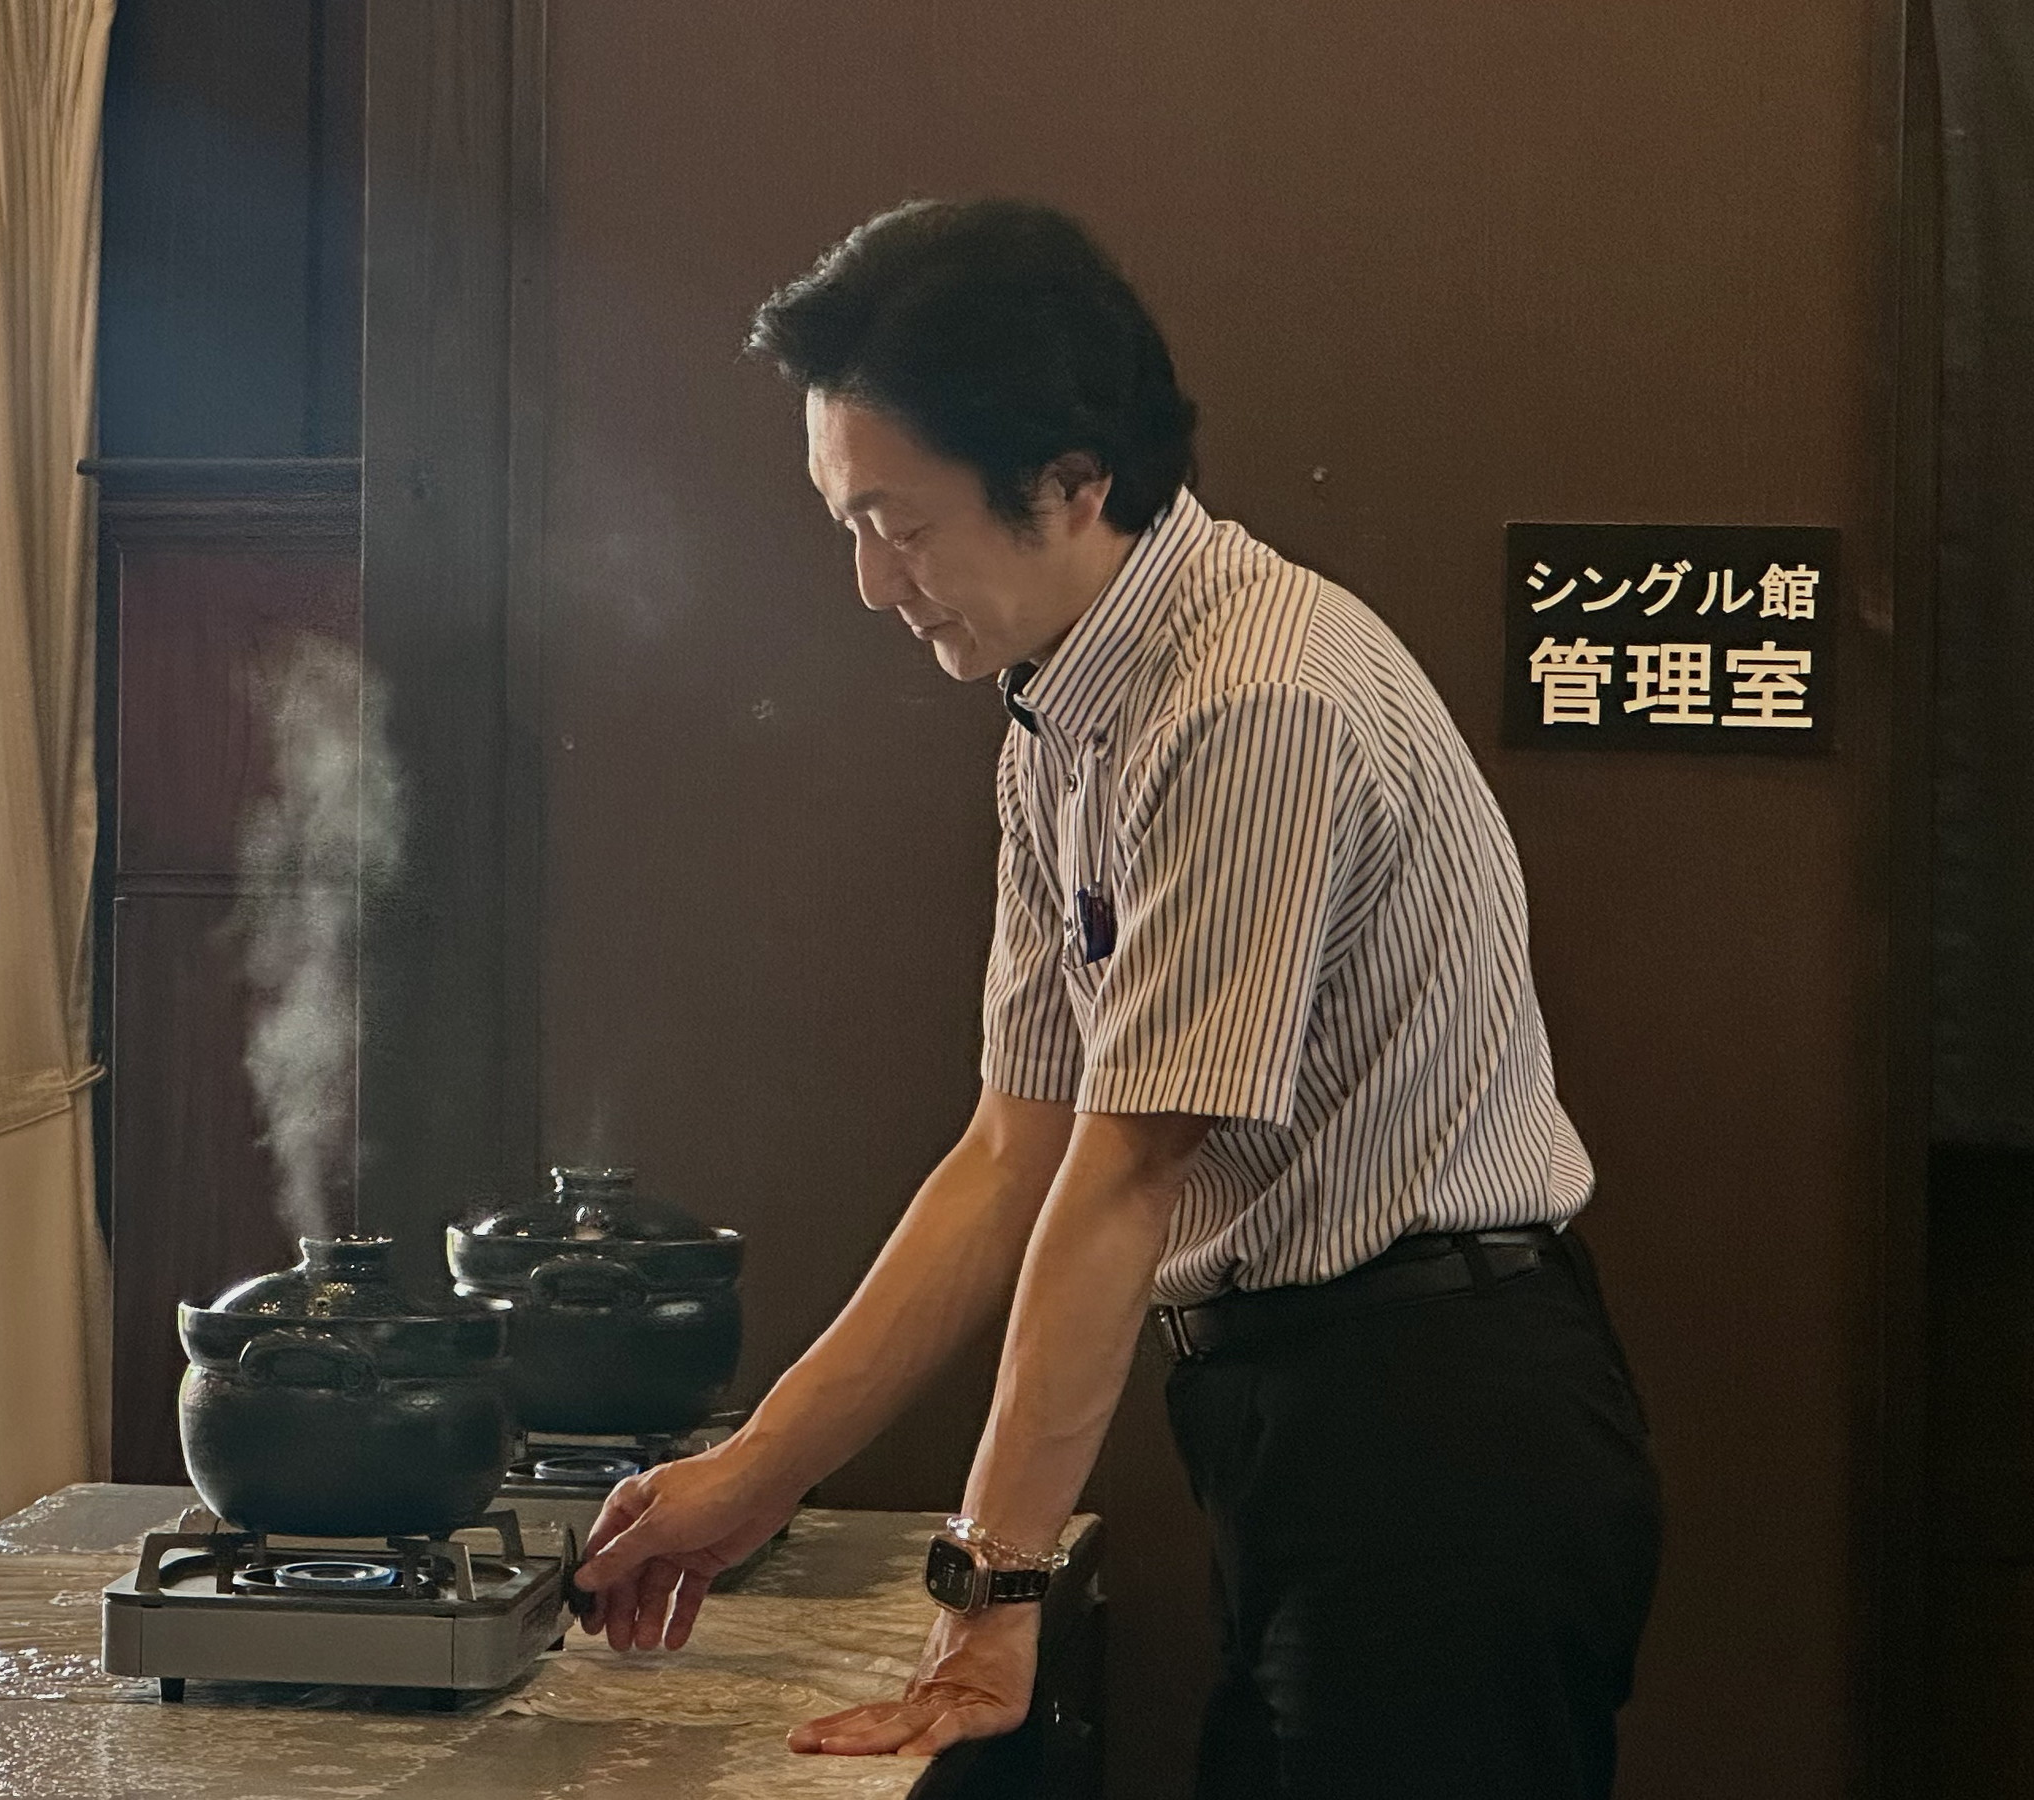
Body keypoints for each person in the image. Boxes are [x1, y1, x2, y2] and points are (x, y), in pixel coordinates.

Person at [567, 199, 1664, 1800]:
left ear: (1073, 483)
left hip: (1439, 1433)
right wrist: (751, 1479)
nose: (873, 586)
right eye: (844, 524)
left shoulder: (1248, 704)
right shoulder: (1064, 718)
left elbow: (1121, 1177)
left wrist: (991, 1590)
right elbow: (1009, 1158)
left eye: (903, 525)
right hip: (1302, 1421)